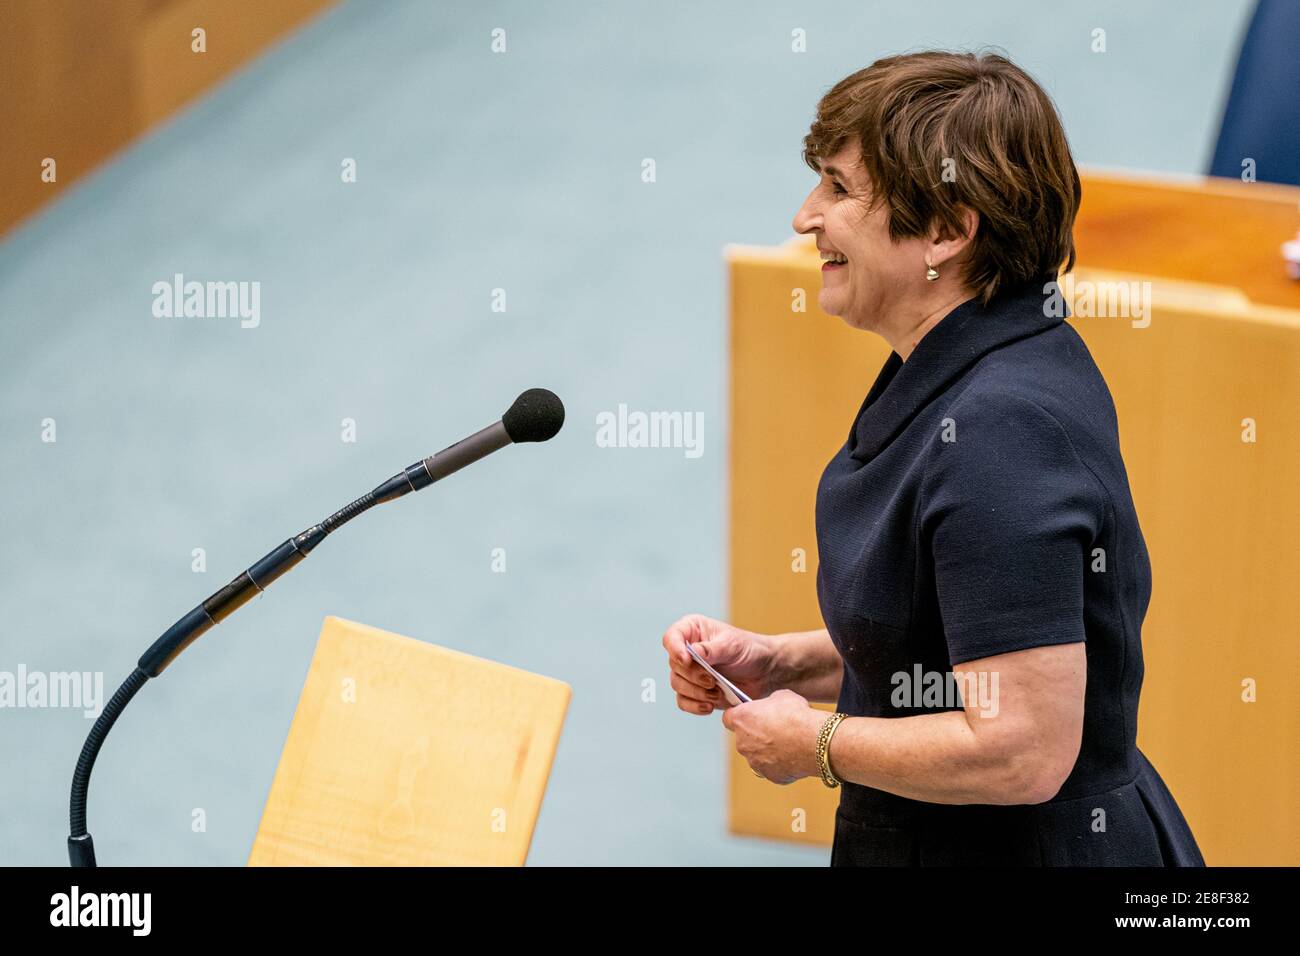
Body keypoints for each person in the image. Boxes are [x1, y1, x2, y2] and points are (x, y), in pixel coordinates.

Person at [662, 51, 1204, 866]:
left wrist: (820, 744)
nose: (806, 215)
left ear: (947, 231)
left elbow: (1023, 745)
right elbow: (958, 639)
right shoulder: (980, 357)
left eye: (840, 189)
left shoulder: (1000, 432)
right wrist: (785, 663)